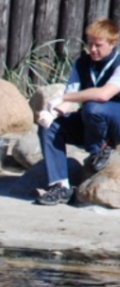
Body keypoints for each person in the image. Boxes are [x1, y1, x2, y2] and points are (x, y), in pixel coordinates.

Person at [37, 18, 120, 206]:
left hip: (116, 123)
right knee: (51, 127)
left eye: (98, 45)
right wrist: (51, 113)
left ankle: (101, 148)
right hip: (93, 122)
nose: (92, 50)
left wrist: (67, 98)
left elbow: (103, 95)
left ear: (113, 43)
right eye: (89, 44)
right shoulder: (82, 63)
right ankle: (60, 186)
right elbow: (69, 96)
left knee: (93, 107)